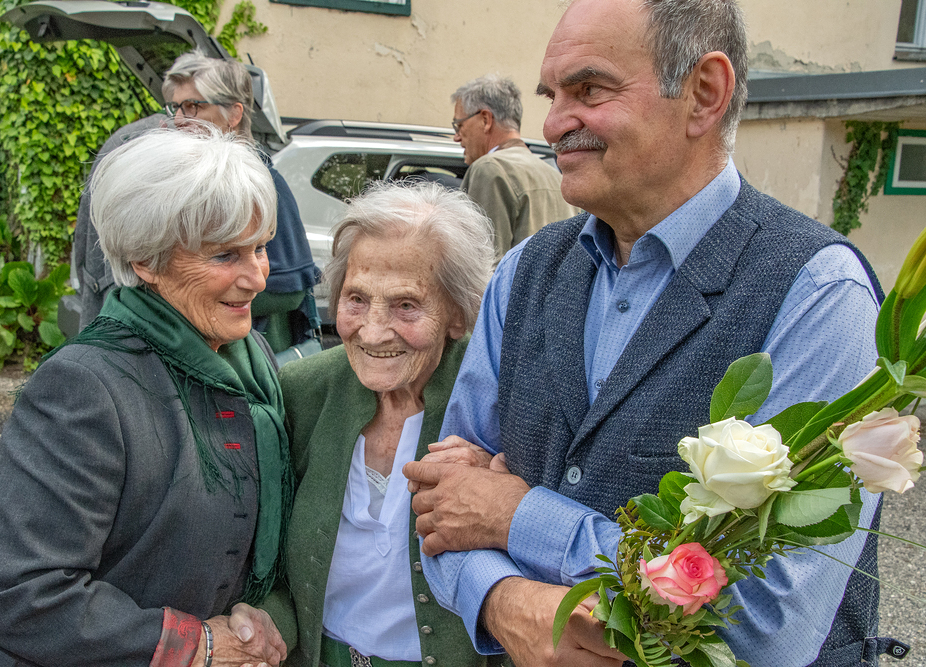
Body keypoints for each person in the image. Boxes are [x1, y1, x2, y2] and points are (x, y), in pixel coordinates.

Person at [403, 1, 893, 666]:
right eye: (553, 95)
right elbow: (441, 507)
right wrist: (502, 600)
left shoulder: (818, 294)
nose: (553, 123)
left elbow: (771, 621)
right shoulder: (526, 271)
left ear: (704, 93)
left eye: (589, 90)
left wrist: (518, 517)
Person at [0, 127, 291, 667]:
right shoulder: (84, 386)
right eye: (224, 255)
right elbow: (21, 594)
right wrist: (197, 645)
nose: (257, 277)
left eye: (260, 247)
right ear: (146, 261)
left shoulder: (249, 356)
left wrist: (254, 616)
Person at [230, 182, 505, 667]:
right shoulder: (303, 392)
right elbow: (270, 561)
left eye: (406, 305)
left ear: (458, 315)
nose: (373, 332)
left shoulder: (497, 406)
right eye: (356, 299)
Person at [74, 50, 318, 354]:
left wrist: (201, 298)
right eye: (176, 107)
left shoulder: (259, 185)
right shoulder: (161, 179)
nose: (179, 119)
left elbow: (291, 290)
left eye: (193, 106)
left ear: (234, 114)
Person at [451, 74, 579, 259]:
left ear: (485, 119)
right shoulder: (555, 175)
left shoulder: (489, 168)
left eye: (459, 125)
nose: (456, 137)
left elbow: (482, 264)